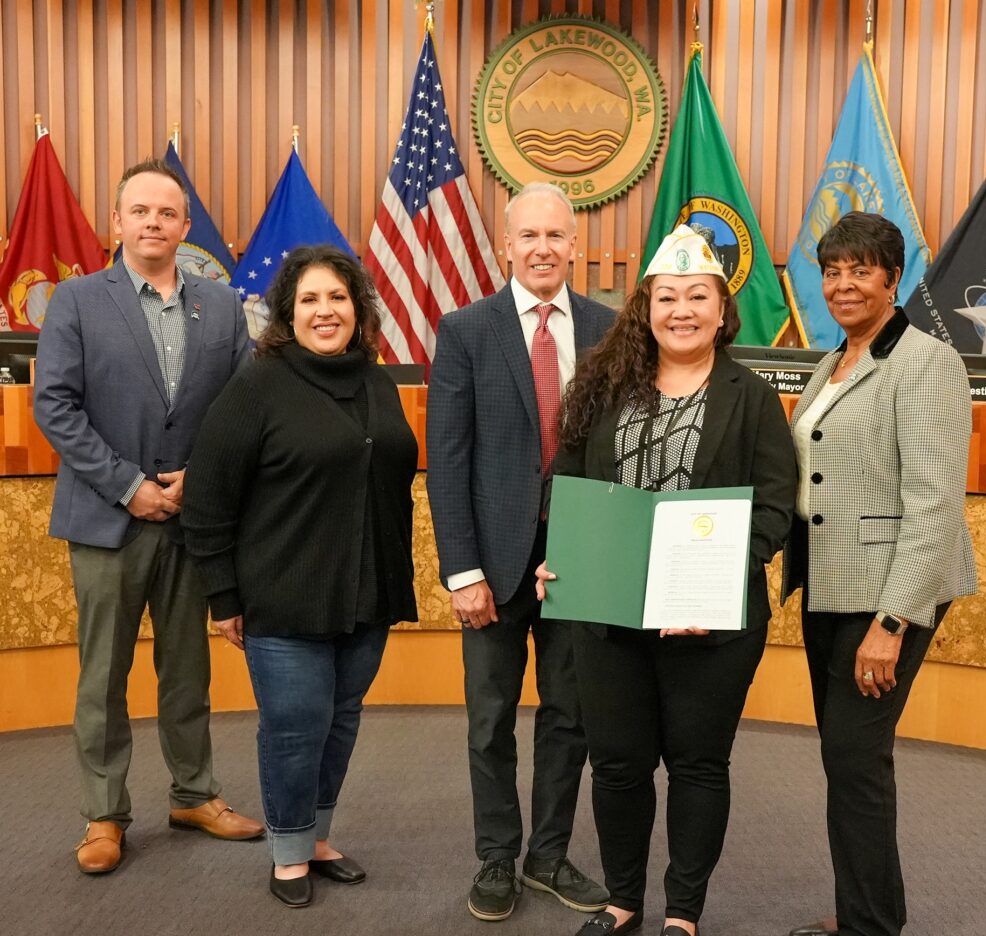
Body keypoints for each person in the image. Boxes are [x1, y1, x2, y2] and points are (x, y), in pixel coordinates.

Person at [537, 223, 797, 936]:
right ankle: (622, 902)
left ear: (722, 310)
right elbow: (568, 485)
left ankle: (682, 914)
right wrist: (561, 556)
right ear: (645, 309)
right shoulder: (601, 383)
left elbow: (775, 509)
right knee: (617, 766)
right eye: (667, 297)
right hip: (607, 615)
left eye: (697, 296)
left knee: (696, 765)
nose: (681, 310)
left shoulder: (753, 398)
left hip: (711, 627)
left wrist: (710, 586)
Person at [34, 158, 263, 875]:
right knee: (102, 676)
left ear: (185, 227)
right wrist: (128, 485)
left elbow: (245, 407)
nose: (154, 224)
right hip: (109, 521)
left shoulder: (223, 306)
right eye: (141, 212)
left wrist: (203, 479)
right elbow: (55, 407)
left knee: (187, 671)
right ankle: (105, 815)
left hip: (193, 524)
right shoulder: (74, 301)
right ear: (118, 221)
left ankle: (194, 792)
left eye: (168, 214)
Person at [181, 245, 418, 908]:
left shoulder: (376, 380)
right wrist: (223, 597)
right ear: (288, 313)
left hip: (365, 593)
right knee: (294, 726)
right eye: (310, 300)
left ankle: (317, 839)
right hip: (282, 595)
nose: (325, 311)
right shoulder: (258, 386)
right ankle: (288, 854)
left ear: (357, 308)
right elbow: (207, 500)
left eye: (337, 298)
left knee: (340, 720)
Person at [781, 212, 977, 936]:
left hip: (886, 596)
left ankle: (871, 926)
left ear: (894, 279)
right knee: (847, 760)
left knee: (856, 760)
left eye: (861, 270)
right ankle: (864, 914)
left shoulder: (927, 362)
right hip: (831, 584)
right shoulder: (831, 362)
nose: (843, 284)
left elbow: (934, 503)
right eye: (832, 271)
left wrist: (891, 623)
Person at [426, 182, 614, 922]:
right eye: (528, 236)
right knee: (490, 719)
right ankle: (497, 857)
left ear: (575, 246)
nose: (542, 248)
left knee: (571, 716)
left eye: (555, 236)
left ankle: (549, 856)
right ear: (506, 245)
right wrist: (462, 570)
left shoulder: (609, 329)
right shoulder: (466, 330)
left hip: (581, 561)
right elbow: (448, 460)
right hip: (493, 571)